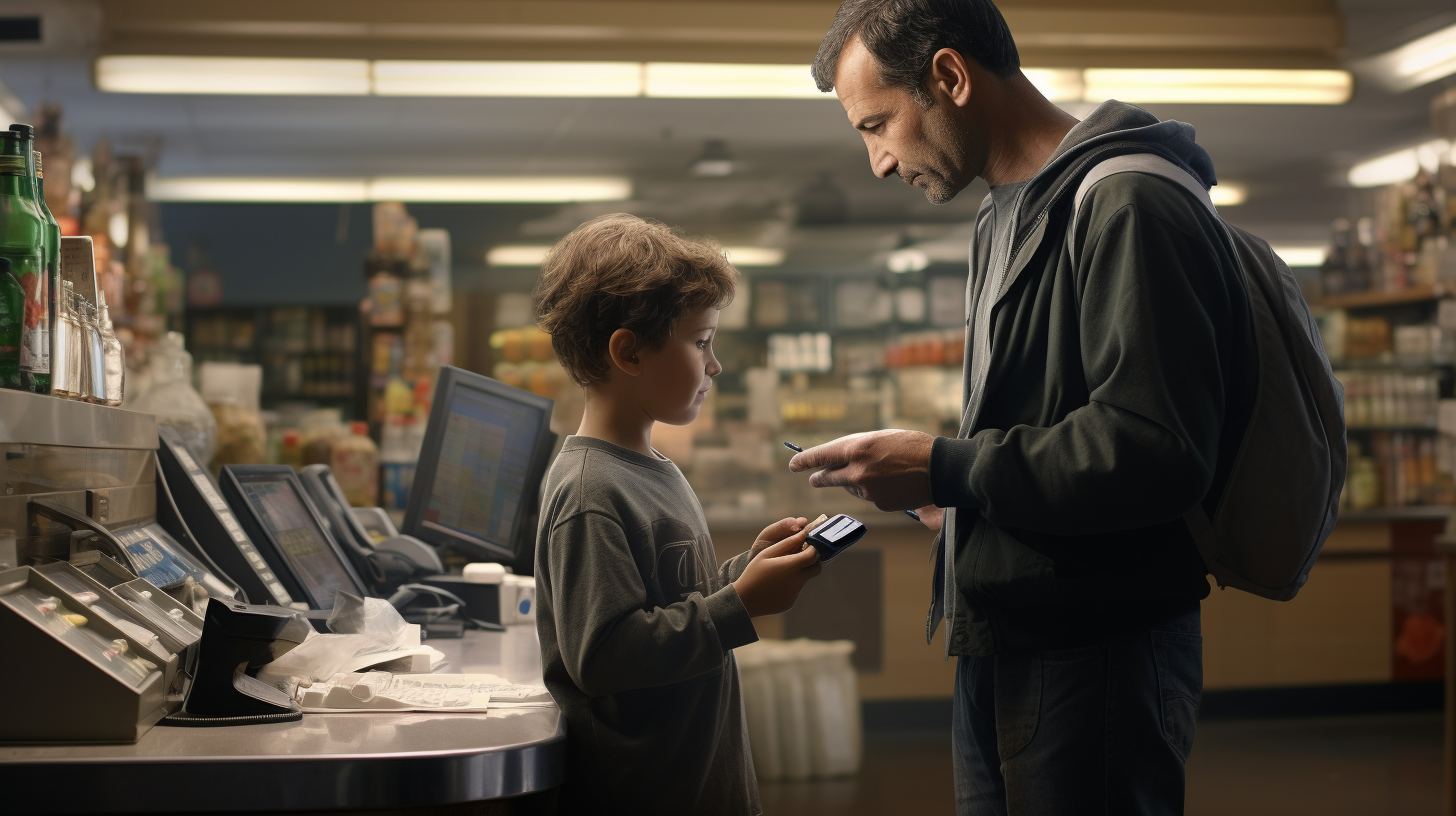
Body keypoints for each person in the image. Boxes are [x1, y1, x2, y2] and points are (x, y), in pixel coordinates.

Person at [791, 1, 1256, 814]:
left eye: (877, 125)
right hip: (1006, 633)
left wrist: (944, 463)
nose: (878, 162)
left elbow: (1156, 448)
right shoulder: (1000, 214)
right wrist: (959, 498)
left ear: (949, 76)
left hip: (1096, 651)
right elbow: (1041, 426)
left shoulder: (1129, 204)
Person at [532, 213, 823, 815]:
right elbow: (605, 655)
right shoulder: (591, 492)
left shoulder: (653, 465)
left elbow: (669, 597)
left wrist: (742, 572)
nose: (714, 365)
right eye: (701, 342)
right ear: (628, 351)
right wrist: (738, 605)